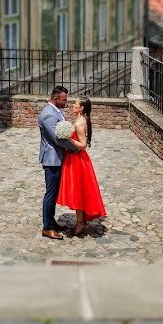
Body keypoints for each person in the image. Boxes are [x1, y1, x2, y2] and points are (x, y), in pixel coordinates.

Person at [57, 97, 106, 236]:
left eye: (76, 104)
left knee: (78, 192)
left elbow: (83, 146)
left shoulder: (79, 123)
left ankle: (80, 223)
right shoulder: (82, 119)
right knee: (81, 191)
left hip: (77, 160)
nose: (73, 105)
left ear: (81, 108)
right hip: (78, 159)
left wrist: (68, 138)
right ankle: (82, 221)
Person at [37, 86, 77, 239]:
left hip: (57, 159)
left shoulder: (56, 111)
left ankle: (52, 223)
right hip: (52, 160)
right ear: (56, 99)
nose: (66, 102)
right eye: (64, 99)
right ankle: (47, 228)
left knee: (53, 195)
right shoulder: (48, 114)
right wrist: (76, 148)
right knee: (50, 194)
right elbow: (57, 139)